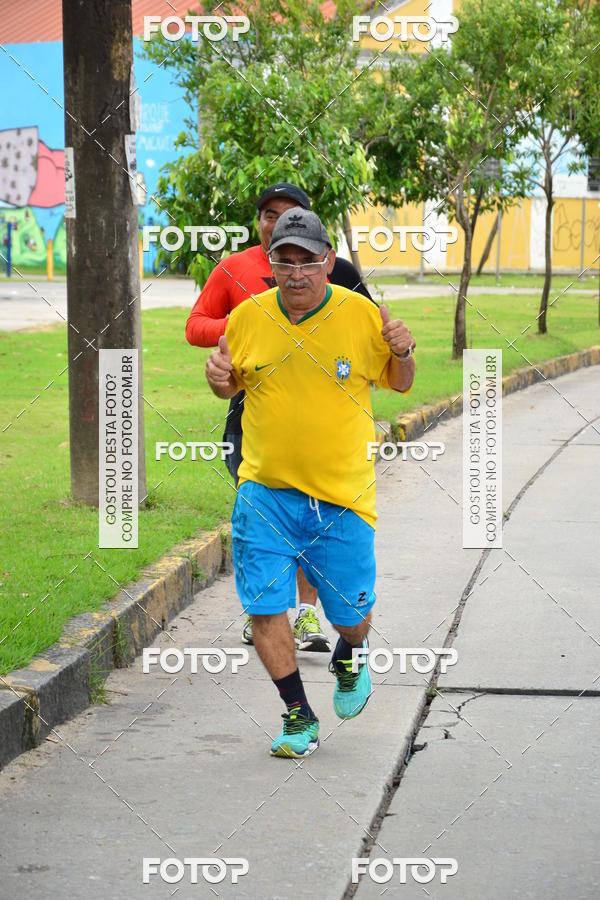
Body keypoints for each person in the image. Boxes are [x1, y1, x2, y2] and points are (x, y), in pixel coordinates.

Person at [205, 208, 415, 758]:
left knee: (352, 616)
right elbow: (230, 386)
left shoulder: (359, 315)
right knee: (265, 608)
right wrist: (220, 381)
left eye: (308, 261)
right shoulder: (247, 318)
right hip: (264, 492)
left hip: (342, 498)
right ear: (270, 263)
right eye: (284, 260)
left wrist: (404, 349)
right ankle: (298, 714)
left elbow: (400, 381)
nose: (296, 273)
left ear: (328, 262)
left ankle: (350, 654)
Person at [186, 182, 373, 652]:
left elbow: (369, 332)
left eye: (290, 213)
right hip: (251, 412)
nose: (278, 222)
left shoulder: (341, 273)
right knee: (271, 514)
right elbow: (196, 325)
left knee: (311, 517)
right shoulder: (234, 270)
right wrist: (240, 327)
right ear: (260, 223)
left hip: (326, 424)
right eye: (270, 213)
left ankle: (308, 613)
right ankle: (269, 608)